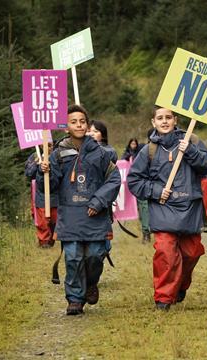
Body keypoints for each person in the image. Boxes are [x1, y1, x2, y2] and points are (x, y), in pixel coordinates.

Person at [127, 106, 207, 311]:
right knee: (166, 252)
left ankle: (180, 286)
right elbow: (134, 180)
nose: (164, 121)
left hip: (189, 208)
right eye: (160, 118)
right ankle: (163, 299)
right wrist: (156, 191)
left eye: (168, 117)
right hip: (163, 208)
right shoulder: (148, 150)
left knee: (191, 253)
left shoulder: (191, 141)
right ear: (153, 122)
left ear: (175, 120)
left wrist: (190, 151)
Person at [38, 104, 121, 316]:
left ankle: (91, 283)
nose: (79, 125)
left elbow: (114, 179)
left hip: (95, 215)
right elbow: (49, 186)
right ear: (66, 127)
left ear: (87, 124)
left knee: (95, 255)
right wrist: (44, 172)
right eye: (73, 122)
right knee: (73, 257)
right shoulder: (57, 155)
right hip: (70, 216)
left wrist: (97, 202)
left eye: (82, 121)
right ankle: (75, 298)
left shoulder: (101, 153)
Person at [87, 119, 118, 253]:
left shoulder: (108, 151)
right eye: (89, 131)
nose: (92, 133)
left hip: (102, 195)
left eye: (96, 131)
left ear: (103, 134)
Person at [25, 144, 59, 248]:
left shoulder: (56, 156)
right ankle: (43, 241)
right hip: (39, 192)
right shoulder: (34, 156)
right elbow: (29, 173)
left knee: (54, 218)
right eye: (46, 145)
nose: (49, 148)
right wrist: (37, 165)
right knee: (41, 219)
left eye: (51, 145)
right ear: (40, 146)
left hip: (55, 192)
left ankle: (51, 238)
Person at [121, 137, 151, 243]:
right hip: (138, 185)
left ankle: (146, 232)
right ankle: (145, 230)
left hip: (147, 186)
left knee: (144, 208)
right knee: (141, 208)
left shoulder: (143, 151)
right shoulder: (141, 153)